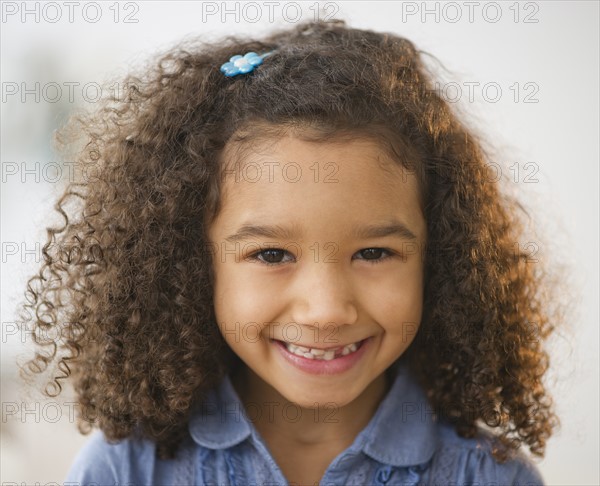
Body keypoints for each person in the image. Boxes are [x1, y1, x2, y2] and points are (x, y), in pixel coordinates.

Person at [19, 19, 560, 485]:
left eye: (373, 253)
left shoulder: (488, 475)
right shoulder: (128, 471)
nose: (325, 310)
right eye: (272, 255)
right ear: (189, 266)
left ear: (439, 261)